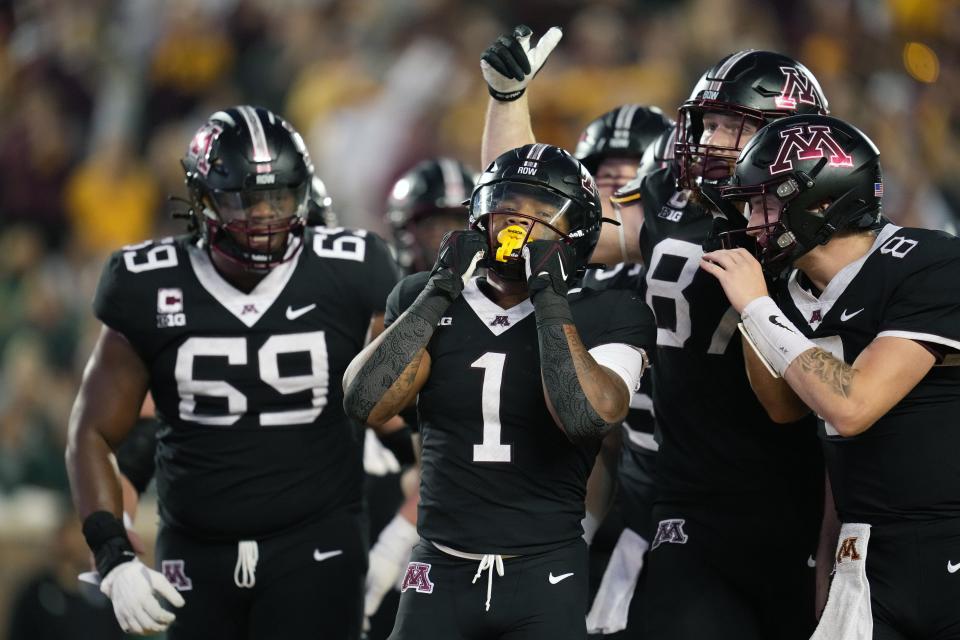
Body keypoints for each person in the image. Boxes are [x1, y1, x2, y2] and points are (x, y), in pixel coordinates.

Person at [480, 26, 832, 640]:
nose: (714, 142)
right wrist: (509, 100)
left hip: (798, 497)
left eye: (736, 127)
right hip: (687, 496)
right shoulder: (674, 195)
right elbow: (542, 219)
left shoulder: (827, 220)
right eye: (710, 124)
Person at [65, 105, 400, 639]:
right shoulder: (146, 283)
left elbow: (404, 413)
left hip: (318, 541)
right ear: (201, 199)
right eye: (244, 200)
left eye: (279, 197)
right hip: (196, 548)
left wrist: (409, 513)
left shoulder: (352, 270)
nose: (264, 216)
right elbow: (94, 431)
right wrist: (113, 554)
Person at [343, 143, 655, 640]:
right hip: (439, 568)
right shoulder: (426, 293)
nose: (518, 226)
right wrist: (439, 288)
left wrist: (549, 298)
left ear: (577, 233)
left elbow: (587, 417)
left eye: (540, 215)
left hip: (544, 570)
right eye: (506, 207)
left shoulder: (614, 311)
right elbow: (366, 401)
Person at [701, 113, 960, 640]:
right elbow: (785, 406)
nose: (753, 222)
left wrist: (757, 307)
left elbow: (852, 404)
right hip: (864, 550)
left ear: (821, 200)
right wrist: (761, 306)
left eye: (765, 203)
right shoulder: (791, 289)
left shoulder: (930, 261)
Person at [363, 156, 477, 640]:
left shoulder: (496, 302)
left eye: (458, 223)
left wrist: (398, 536)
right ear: (404, 229)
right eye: (434, 224)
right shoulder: (378, 293)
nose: (446, 240)